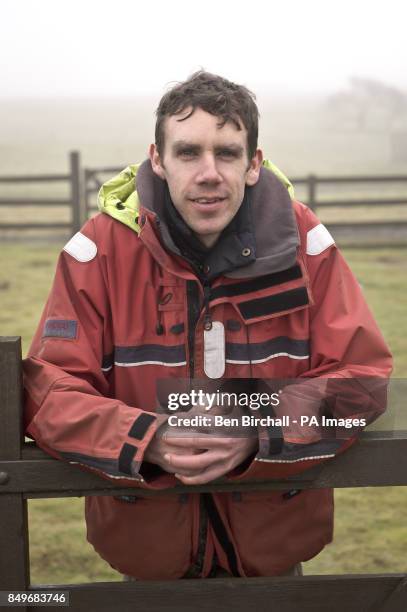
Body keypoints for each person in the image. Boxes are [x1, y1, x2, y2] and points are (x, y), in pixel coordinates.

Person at [23, 71, 392, 580]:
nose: (209, 172)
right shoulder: (100, 251)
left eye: (228, 152)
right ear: (157, 158)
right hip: (147, 554)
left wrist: (258, 430)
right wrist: (143, 438)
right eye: (189, 152)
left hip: (274, 556)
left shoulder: (305, 245)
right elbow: (48, 391)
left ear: (254, 164)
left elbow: (365, 381)